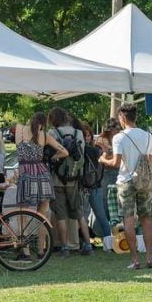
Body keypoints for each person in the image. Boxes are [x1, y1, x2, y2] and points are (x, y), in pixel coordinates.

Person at [99, 102, 152, 269]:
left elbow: (116, 163)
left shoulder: (119, 137)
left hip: (126, 180)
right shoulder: (147, 135)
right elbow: (150, 160)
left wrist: (102, 159)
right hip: (144, 180)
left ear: (123, 117)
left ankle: (135, 259)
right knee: (146, 218)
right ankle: (150, 258)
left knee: (128, 219)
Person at [15, 112, 67, 255]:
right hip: (42, 173)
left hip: (25, 172)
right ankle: (40, 249)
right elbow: (65, 152)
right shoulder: (44, 135)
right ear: (43, 123)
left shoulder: (19, 130)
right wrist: (54, 157)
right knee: (42, 215)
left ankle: (24, 250)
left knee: (23, 214)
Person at [48, 108, 93, 256]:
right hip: (75, 177)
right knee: (78, 212)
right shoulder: (78, 133)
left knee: (60, 214)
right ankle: (87, 244)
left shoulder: (52, 133)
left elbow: (49, 154)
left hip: (57, 178)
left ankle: (65, 247)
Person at [81, 123, 113, 251]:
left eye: (88, 135)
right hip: (92, 186)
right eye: (85, 136)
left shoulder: (89, 149)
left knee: (98, 215)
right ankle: (104, 244)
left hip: (92, 186)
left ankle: (107, 244)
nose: (87, 138)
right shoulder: (95, 149)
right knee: (91, 216)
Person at [95, 118, 121, 221]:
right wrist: (116, 157)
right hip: (106, 172)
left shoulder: (118, 138)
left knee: (117, 199)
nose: (117, 131)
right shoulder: (101, 140)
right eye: (115, 129)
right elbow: (100, 158)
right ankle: (105, 229)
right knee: (105, 199)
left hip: (117, 171)